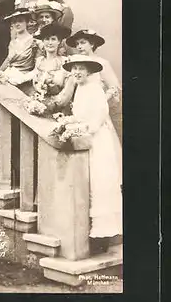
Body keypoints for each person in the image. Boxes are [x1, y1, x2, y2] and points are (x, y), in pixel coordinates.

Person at [62, 55, 122, 254]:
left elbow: (97, 119)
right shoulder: (80, 89)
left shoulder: (95, 88)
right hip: (88, 139)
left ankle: (102, 237)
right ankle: (91, 235)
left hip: (98, 142)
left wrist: (78, 127)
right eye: (74, 69)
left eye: (80, 68)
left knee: (100, 184)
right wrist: (66, 121)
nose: (77, 72)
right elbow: (81, 115)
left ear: (89, 72)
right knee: (87, 185)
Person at [66, 29, 122, 142]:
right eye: (77, 44)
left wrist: (100, 100)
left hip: (97, 111)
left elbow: (114, 88)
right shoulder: (75, 62)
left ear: (92, 44)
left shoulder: (102, 63)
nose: (79, 46)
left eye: (83, 43)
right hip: (80, 108)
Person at [30, 22, 74, 116]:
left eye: (53, 39)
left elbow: (67, 92)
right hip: (39, 107)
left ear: (59, 41)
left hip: (58, 111)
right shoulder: (39, 61)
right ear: (43, 41)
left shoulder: (66, 62)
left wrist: (52, 105)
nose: (50, 43)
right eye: (47, 39)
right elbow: (34, 84)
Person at [0, 8, 39, 91]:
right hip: (8, 76)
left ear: (27, 22)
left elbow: (38, 66)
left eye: (20, 21)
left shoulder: (34, 42)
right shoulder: (13, 42)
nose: (17, 24)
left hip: (23, 80)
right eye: (14, 21)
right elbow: (8, 60)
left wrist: (23, 78)